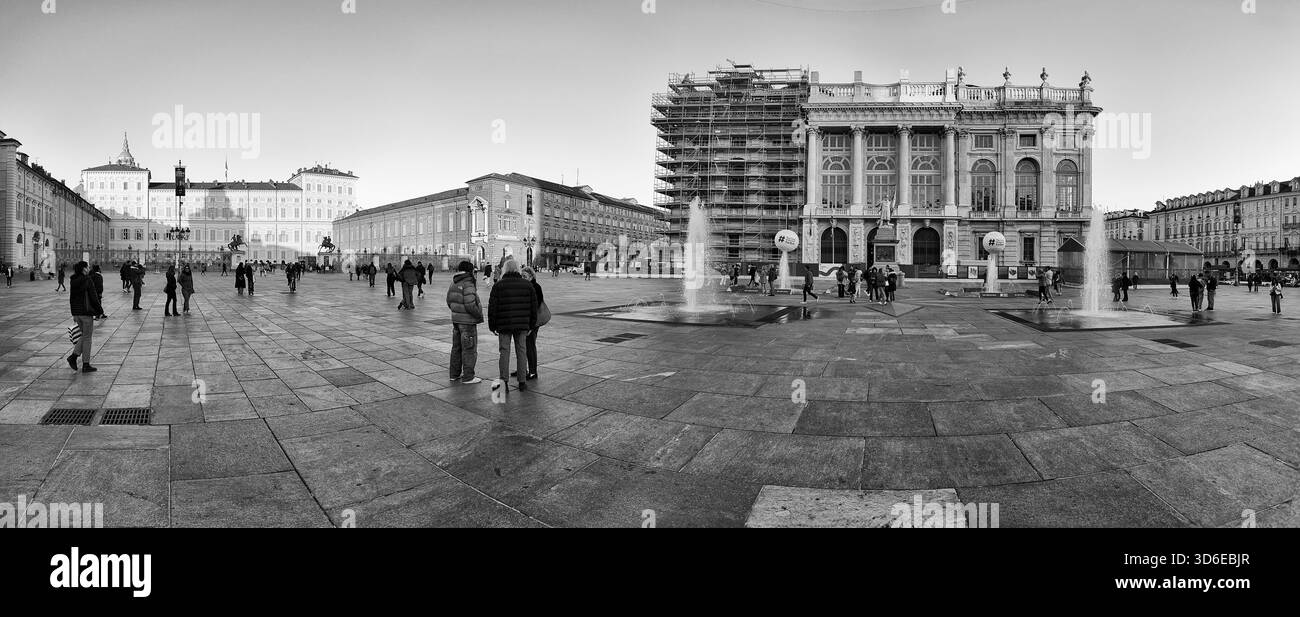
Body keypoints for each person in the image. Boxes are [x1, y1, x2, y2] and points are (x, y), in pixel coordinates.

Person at [488, 259, 537, 393]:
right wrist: (531, 325)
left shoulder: (498, 285)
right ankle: (522, 382)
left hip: (503, 325)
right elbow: (533, 308)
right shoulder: (527, 285)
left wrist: (492, 326)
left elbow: (492, 308)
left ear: (504, 269)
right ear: (517, 270)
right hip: (522, 325)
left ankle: (504, 383)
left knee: (504, 352)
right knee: (521, 352)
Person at [447, 260, 484, 384]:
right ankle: (468, 377)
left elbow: (449, 300)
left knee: (456, 348)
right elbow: (470, 304)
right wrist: (478, 314)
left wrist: (456, 311)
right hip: (467, 322)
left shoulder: (454, 281)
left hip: (456, 320)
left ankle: (454, 374)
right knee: (469, 349)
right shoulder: (468, 282)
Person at [67, 261, 102, 373]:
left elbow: (71, 298)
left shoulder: (73, 280)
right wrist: (99, 310)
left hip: (77, 313)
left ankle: (74, 357)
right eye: (87, 267)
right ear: (83, 269)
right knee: (87, 338)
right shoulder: (87, 280)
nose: (88, 269)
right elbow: (93, 296)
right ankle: (83, 363)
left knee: (84, 336)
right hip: (86, 312)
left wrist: (73, 312)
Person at [519, 266, 544, 380]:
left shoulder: (536, 287)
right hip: (524, 320)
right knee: (522, 346)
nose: (523, 278)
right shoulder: (524, 286)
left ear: (531, 276)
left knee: (530, 345)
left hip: (532, 322)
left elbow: (536, 305)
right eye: (522, 276)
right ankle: (523, 369)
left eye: (525, 276)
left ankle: (533, 371)